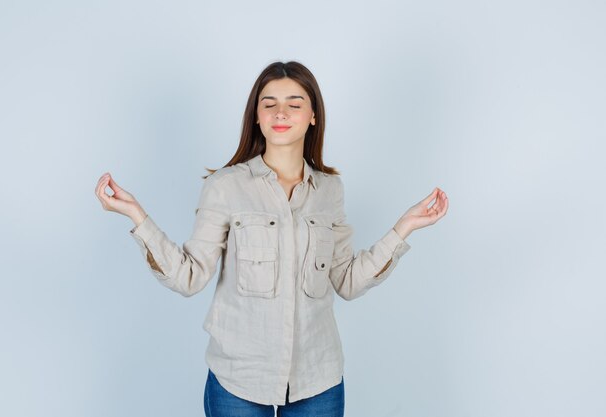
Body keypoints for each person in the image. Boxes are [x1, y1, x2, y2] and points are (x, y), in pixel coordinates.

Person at [94, 60, 448, 417]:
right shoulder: (225, 186)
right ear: (257, 116)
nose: (281, 112)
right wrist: (137, 217)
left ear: (313, 116)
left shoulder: (329, 190)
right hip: (238, 381)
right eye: (269, 103)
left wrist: (404, 227)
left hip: (318, 380)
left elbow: (348, 281)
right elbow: (189, 276)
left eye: (294, 104)